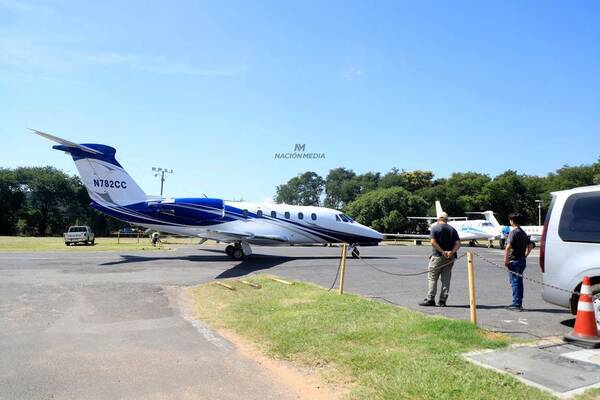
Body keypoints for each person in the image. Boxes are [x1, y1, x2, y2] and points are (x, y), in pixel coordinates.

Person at [419, 212, 461, 307]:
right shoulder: (452, 230)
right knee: (446, 279)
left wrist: (442, 252)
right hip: (450, 258)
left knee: (433, 278)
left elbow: (433, 242)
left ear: (438, 219)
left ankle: (430, 299)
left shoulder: (435, 228)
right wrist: (451, 252)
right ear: (447, 219)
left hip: (437, 256)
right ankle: (442, 300)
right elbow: (458, 243)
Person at [503, 212, 534, 311]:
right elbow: (530, 246)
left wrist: (506, 260)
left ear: (512, 221)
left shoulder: (513, 232)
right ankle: (518, 302)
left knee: (515, 282)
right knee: (519, 282)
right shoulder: (522, 232)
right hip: (521, 260)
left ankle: (516, 304)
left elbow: (508, 247)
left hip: (514, 260)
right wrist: (526, 255)